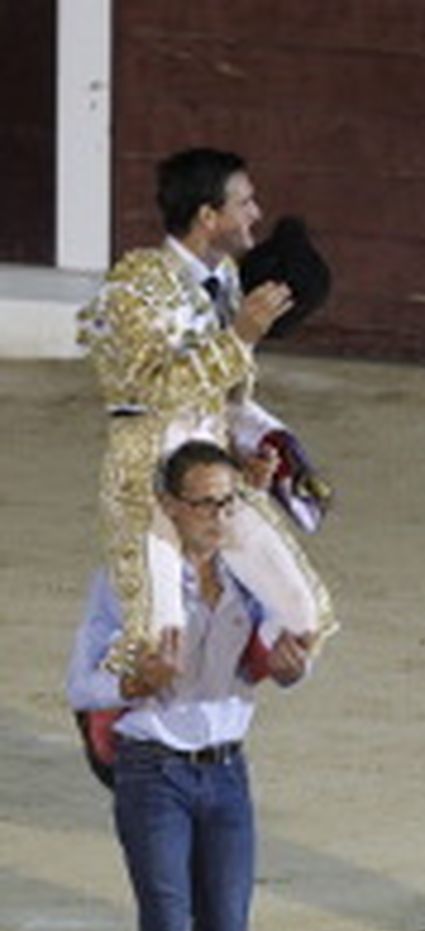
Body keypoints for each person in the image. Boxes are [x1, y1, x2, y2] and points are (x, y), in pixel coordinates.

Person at [64, 441, 319, 931]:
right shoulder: (129, 581)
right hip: (153, 771)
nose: (218, 518)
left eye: (228, 503)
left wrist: (292, 669)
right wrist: (133, 684)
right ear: (170, 505)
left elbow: (285, 654)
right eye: (204, 504)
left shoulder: (251, 579)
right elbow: (80, 684)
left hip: (227, 772)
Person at [76, 147, 335, 677]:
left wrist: (245, 452)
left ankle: (232, 680)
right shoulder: (134, 286)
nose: (256, 213)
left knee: (306, 613)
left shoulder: (229, 280)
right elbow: (148, 394)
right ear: (208, 216)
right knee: (158, 642)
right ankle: (104, 712)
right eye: (245, 202)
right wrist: (238, 338)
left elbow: (219, 398)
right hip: (150, 483)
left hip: (217, 479)